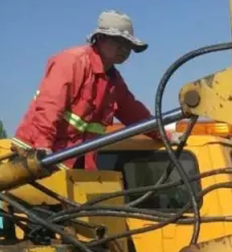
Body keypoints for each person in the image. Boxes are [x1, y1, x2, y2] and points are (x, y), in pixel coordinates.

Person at [11, 10, 180, 169]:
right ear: (100, 39)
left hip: (69, 161)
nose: (125, 50)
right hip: (34, 158)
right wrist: (42, 148)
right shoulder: (71, 62)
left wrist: (165, 135)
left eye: (128, 45)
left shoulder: (114, 82)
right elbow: (50, 106)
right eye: (119, 42)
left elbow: (135, 114)